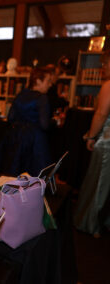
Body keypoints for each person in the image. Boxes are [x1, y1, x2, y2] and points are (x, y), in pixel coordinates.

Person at [0, 67, 53, 183]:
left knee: (11, 170)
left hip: (15, 137)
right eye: (48, 81)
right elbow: (44, 125)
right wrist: (54, 122)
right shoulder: (42, 98)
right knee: (35, 178)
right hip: (34, 141)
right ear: (38, 81)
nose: (50, 85)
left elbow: (10, 117)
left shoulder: (21, 94)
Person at [74, 51, 110, 237]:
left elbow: (101, 114)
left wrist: (90, 136)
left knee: (99, 184)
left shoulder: (108, 86)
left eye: (105, 64)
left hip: (107, 142)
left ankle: (90, 224)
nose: (102, 68)